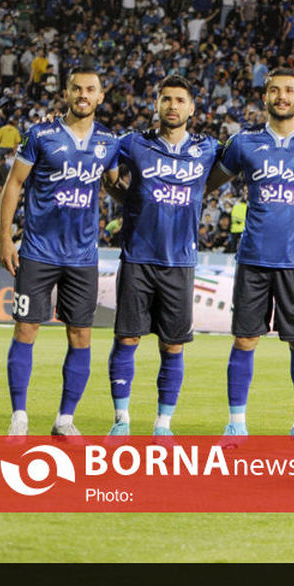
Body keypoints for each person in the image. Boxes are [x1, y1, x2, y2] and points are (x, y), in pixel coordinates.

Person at [207, 67, 294, 447]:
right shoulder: (244, 143)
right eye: (275, 90)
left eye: (289, 90)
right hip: (253, 259)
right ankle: (236, 425)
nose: (282, 96)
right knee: (245, 341)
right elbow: (207, 181)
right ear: (264, 97)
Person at [0, 68, 120, 437]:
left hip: (83, 257)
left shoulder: (110, 142)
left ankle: (65, 419)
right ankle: (19, 415)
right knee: (26, 328)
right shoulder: (41, 134)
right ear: (66, 93)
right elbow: (14, 184)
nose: (83, 94)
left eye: (90, 89)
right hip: (38, 252)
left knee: (81, 336)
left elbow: (116, 187)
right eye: (76, 88)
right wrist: (6, 237)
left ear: (101, 96)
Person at [104, 75, 219, 436]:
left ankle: (163, 424)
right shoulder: (133, 143)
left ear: (192, 107)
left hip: (180, 263)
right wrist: (133, 202)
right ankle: (121, 420)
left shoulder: (209, 148)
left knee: (172, 345)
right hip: (138, 257)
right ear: (156, 104)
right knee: (126, 339)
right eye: (166, 99)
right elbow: (108, 177)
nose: (172, 105)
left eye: (179, 100)